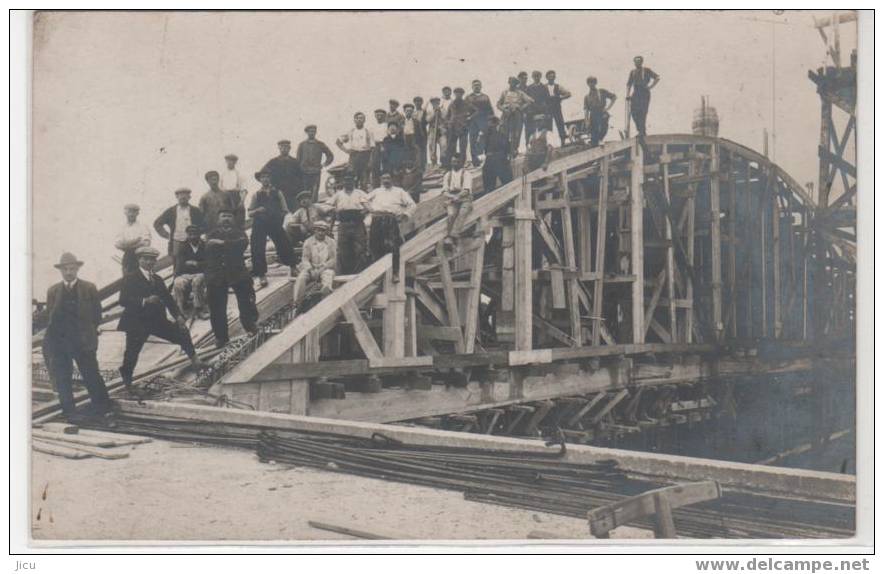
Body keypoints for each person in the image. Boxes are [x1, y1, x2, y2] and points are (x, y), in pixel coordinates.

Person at [118, 246, 204, 388]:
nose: (149, 262)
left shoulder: (157, 279)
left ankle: (196, 362)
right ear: (139, 260)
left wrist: (178, 316)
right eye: (146, 259)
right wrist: (144, 300)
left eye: (152, 259)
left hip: (156, 320)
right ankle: (127, 382)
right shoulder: (130, 278)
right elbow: (123, 300)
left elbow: (168, 299)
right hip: (137, 322)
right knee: (132, 354)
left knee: (182, 332)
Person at [42, 252, 112, 420]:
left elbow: (97, 315)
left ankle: (102, 408)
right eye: (65, 269)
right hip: (60, 341)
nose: (68, 272)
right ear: (60, 271)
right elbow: (50, 316)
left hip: (82, 341)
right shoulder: (53, 291)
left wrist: (89, 333)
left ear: (77, 269)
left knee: (91, 374)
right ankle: (70, 412)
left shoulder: (89, 288)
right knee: (63, 377)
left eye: (72, 268)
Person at [204, 209, 259, 348]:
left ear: (233, 219)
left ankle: (250, 326)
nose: (226, 218)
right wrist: (226, 244)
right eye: (223, 216)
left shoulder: (240, 232)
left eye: (229, 215)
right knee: (217, 308)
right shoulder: (211, 234)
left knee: (246, 301)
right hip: (217, 274)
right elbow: (208, 246)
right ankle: (221, 337)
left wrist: (221, 243)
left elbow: (242, 244)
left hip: (237, 272)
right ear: (218, 220)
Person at [249, 170, 296, 287]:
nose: (265, 179)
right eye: (263, 177)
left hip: (274, 222)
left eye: (267, 176)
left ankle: (293, 267)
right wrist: (257, 210)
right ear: (259, 180)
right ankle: (261, 275)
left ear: (270, 178)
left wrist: (277, 216)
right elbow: (250, 213)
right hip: (260, 223)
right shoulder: (256, 194)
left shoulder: (278, 193)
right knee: (257, 247)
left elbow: (285, 209)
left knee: (284, 243)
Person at [367, 173, 416, 281]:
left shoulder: (399, 191)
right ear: (380, 180)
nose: (386, 180)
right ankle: (377, 275)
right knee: (375, 247)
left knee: (393, 246)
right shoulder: (376, 191)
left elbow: (412, 204)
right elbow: (363, 200)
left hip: (391, 219)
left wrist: (405, 214)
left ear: (392, 179)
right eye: (384, 178)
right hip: (377, 219)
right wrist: (370, 209)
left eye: (388, 178)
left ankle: (395, 273)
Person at [326, 173, 369, 274]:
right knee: (343, 248)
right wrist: (331, 224)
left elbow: (369, 206)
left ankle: (359, 272)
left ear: (354, 182)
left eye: (350, 180)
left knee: (360, 248)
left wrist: (363, 212)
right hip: (344, 224)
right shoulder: (338, 195)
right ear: (343, 182)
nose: (348, 183)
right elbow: (328, 207)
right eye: (346, 181)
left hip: (357, 223)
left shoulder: (360, 193)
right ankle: (345, 272)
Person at [293, 220, 337, 305]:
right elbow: (305, 258)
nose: (321, 233)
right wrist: (310, 269)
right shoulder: (308, 242)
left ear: (326, 231)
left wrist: (323, 268)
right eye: (318, 230)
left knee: (328, 276)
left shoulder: (331, 242)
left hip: (325, 268)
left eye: (323, 230)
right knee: (301, 278)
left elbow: (333, 259)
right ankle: (297, 303)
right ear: (315, 230)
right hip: (311, 268)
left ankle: (325, 301)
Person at [153, 187, 206, 256]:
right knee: (178, 264)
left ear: (189, 197)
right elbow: (157, 223)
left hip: (193, 242)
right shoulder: (171, 211)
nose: (183, 197)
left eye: (185, 195)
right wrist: (167, 235)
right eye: (180, 195)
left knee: (194, 261)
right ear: (177, 197)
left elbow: (205, 225)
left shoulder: (196, 211)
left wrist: (197, 234)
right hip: (176, 242)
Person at [172, 225, 207, 319]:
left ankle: (199, 308)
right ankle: (181, 310)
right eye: (190, 234)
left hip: (201, 273)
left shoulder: (204, 245)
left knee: (197, 282)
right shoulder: (182, 246)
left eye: (195, 234)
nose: (192, 237)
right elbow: (180, 264)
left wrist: (197, 264)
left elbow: (210, 262)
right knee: (178, 283)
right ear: (187, 235)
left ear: (199, 234)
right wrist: (176, 277)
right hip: (185, 274)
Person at [336, 112, 375, 191]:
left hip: (365, 156)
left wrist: (370, 160)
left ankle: (363, 197)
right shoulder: (351, 131)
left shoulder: (368, 132)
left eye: (361, 118)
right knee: (352, 178)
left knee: (364, 179)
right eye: (357, 118)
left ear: (364, 120)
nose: (359, 120)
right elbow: (338, 142)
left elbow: (372, 147)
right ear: (354, 120)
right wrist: (346, 150)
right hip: (354, 156)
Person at [497, 76, 534, 157]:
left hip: (516, 114)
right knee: (504, 132)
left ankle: (514, 149)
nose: (513, 84)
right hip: (506, 114)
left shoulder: (520, 93)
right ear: (509, 82)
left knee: (516, 132)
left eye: (515, 83)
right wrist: (504, 109)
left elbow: (530, 101)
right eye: (511, 82)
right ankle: (506, 150)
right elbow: (498, 104)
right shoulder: (505, 92)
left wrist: (521, 108)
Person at [261, 139, 302, 211]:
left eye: (286, 147)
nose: (284, 149)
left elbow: (301, 177)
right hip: (278, 193)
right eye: (282, 147)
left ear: (289, 148)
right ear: (279, 148)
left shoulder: (295, 162)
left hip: (293, 193)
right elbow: (262, 173)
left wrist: (298, 188)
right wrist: (269, 186)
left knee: (294, 213)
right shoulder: (273, 162)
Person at [441, 155, 473, 246]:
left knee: (463, 212)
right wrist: (452, 197)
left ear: (461, 163)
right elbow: (444, 191)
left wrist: (458, 196)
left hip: (465, 198)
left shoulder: (467, 174)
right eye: (453, 161)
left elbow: (466, 190)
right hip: (452, 198)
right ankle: (448, 236)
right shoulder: (448, 175)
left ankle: (452, 236)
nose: (454, 164)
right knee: (451, 214)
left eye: (457, 162)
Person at [296, 125, 334, 201]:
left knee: (315, 192)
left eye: (313, 131)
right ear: (307, 132)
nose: (312, 133)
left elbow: (330, 156)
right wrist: (299, 170)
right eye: (310, 131)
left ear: (316, 132)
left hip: (315, 172)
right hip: (304, 172)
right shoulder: (302, 145)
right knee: (305, 192)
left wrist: (324, 164)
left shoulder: (320, 144)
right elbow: (298, 160)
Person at [626, 55, 660, 138]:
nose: (637, 63)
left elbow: (657, 77)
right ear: (634, 63)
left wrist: (651, 86)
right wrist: (628, 95)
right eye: (636, 61)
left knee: (642, 112)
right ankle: (640, 130)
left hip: (644, 92)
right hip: (636, 92)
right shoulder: (632, 72)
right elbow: (629, 84)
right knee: (634, 112)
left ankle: (641, 131)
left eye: (639, 61)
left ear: (642, 62)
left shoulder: (646, 70)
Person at [114, 203, 151, 276]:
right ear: (125, 213)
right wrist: (136, 241)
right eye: (129, 212)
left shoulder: (143, 226)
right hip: (128, 257)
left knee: (143, 278)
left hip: (141, 256)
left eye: (134, 212)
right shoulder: (121, 227)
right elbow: (117, 244)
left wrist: (126, 245)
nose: (131, 214)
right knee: (127, 279)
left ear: (137, 213)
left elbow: (146, 243)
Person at [464, 79, 495, 166]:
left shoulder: (485, 97)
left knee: (485, 140)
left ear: (481, 86)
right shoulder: (468, 97)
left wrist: (492, 120)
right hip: (473, 122)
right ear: (472, 87)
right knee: (473, 141)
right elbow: (464, 109)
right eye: (475, 85)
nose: (476, 86)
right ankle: (475, 161)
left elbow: (490, 109)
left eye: (478, 85)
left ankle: (487, 159)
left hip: (483, 121)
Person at [480, 116, 513, 193]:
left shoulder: (500, 135)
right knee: (490, 186)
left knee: (506, 184)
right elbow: (508, 149)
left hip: (497, 160)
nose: (489, 126)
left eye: (491, 124)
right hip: (495, 160)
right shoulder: (500, 135)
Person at [444, 87, 474, 169]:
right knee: (451, 147)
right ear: (454, 94)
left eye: (460, 93)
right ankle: (449, 165)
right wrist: (448, 123)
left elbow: (476, 111)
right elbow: (447, 116)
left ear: (462, 94)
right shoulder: (452, 104)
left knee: (463, 147)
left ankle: (461, 164)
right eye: (456, 93)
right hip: (453, 128)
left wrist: (469, 118)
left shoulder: (466, 103)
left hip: (463, 128)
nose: (458, 95)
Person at [584, 76, 617, 147]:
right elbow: (586, 109)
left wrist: (608, 108)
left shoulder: (602, 91)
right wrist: (586, 120)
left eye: (593, 82)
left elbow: (614, 97)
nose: (591, 84)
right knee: (593, 132)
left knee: (603, 127)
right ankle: (594, 143)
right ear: (587, 84)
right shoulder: (587, 96)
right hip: (593, 114)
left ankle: (600, 139)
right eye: (589, 82)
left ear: (595, 83)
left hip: (601, 112)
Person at [545, 70, 572, 145]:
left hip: (556, 108)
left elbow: (568, 94)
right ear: (547, 77)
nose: (551, 78)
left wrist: (560, 98)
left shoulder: (558, 86)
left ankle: (563, 141)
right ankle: (548, 143)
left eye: (553, 76)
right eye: (550, 76)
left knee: (560, 124)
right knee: (548, 126)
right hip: (547, 109)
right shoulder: (544, 87)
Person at [220, 153, 248, 226]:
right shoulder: (222, 174)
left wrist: (241, 202)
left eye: (232, 161)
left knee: (238, 219)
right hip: (224, 198)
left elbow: (244, 189)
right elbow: (219, 188)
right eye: (228, 160)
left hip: (236, 198)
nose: (230, 162)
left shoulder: (239, 174)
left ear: (235, 162)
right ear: (226, 161)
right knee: (225, 219)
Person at [524, 70, 549, 142]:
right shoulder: (529, 88)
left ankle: (543, 144)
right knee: (532, 129)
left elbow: (547, 99)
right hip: (532, 111)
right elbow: (527, 100)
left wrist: (545, 109)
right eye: (535, 76)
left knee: (543, 128)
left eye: (538, 76)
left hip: (542, 110)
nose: (536, 78)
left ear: (540, 77)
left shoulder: (544, 87)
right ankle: (531, 145)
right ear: (532, 77)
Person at [369, 109, 389, 188]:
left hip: (385, 146)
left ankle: (386, 185)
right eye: (377, 115)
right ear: (375, 116)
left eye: (381, 115)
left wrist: (384, 146)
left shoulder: (387, 125)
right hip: (375, 147)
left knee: (386, 166)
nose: (379, 116)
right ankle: (375, 186)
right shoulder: (372, 127)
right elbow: (371, 139)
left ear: (384, 116)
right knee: (375, 166)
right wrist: (373, 148)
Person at [425, 96, 447, 169]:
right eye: (433, 102)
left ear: (439, 102)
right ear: (431, 103)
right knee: (431, 145)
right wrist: (434, 113)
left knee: (443, 145)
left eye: (437, 102)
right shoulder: (429, 111)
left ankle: (443, 162)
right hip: (432, 131)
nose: (435, 103)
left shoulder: (443, 110)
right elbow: (428, 120)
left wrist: (440, 112)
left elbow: (446, 118)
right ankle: (434, 162)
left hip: (441, 131)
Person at [412, 96, 429, 167]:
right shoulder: (412, 112)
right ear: (414, 103)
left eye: (419, 101)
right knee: (415, 149)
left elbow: (427, 121)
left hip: (422, 132)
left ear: (422, 103)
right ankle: (416, 165)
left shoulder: (424, 111)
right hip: (414, 133)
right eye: (416, 101)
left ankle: (424, 165)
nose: (418, 103)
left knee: (423, 149)